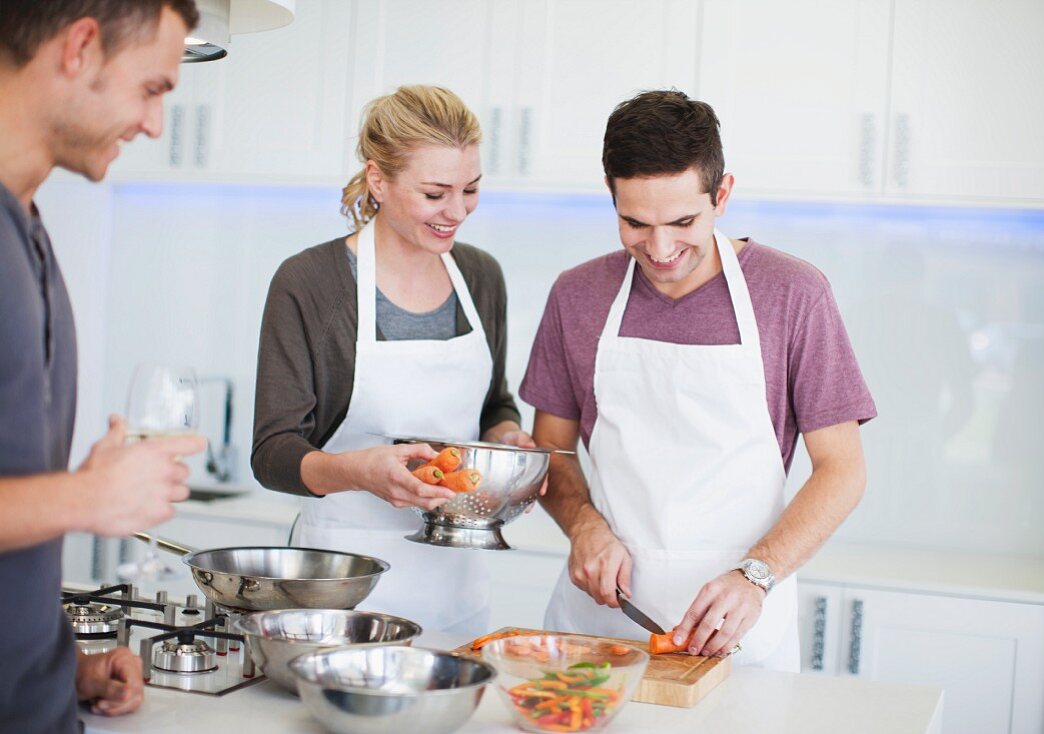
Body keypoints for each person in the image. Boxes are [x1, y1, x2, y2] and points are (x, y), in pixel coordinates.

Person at [520, 90, 876, 671]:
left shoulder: (793, 294)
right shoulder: (577, 295)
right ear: (610, 197)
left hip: (740, 630)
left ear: (723, 194)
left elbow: (844, 469)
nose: (659, 250)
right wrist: (582, 526)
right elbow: (552, 448)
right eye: (634, 223)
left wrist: (755, 576)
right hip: (599, 628)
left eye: (683, 221)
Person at [252, 85, 532, 635]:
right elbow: (272, 453)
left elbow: (495, 400)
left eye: (470, 189)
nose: (457, 211)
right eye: (435, 193)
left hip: (456, 585)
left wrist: (507, 440)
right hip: (341, 585)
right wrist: (361, 472)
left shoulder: (479, 276)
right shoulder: (310, 282)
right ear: (379, 180)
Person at [0, 1, 205, 732]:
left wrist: (65, 667)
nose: (155, 124)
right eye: (152, 88)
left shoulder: (27, 228)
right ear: (80, 47)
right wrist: (84, 498)